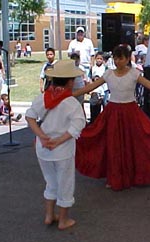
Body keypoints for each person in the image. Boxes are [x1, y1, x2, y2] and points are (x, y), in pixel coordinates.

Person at [73, 45, 150, 191]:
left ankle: (132, 175)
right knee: (112, 145)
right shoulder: (108, 74)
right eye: (115, 58)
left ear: (128, 59)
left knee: (134, 143)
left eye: (120, 58)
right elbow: (90, 87)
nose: (117, 61)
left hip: (130, 112)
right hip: (112, 112)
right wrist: (70, 95)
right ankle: (114, 176)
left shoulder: (134, 73)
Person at [25, 60, 86, 230]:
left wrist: (42, 137)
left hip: (43, 149)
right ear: (70, 82)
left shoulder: (42, 98)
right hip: (62, 150)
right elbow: (78, 126)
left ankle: (49, 215)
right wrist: (58, 140)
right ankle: (63, 219)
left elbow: (30, 117)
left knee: (50, 181)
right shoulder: (71, 103)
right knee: (65, 182)